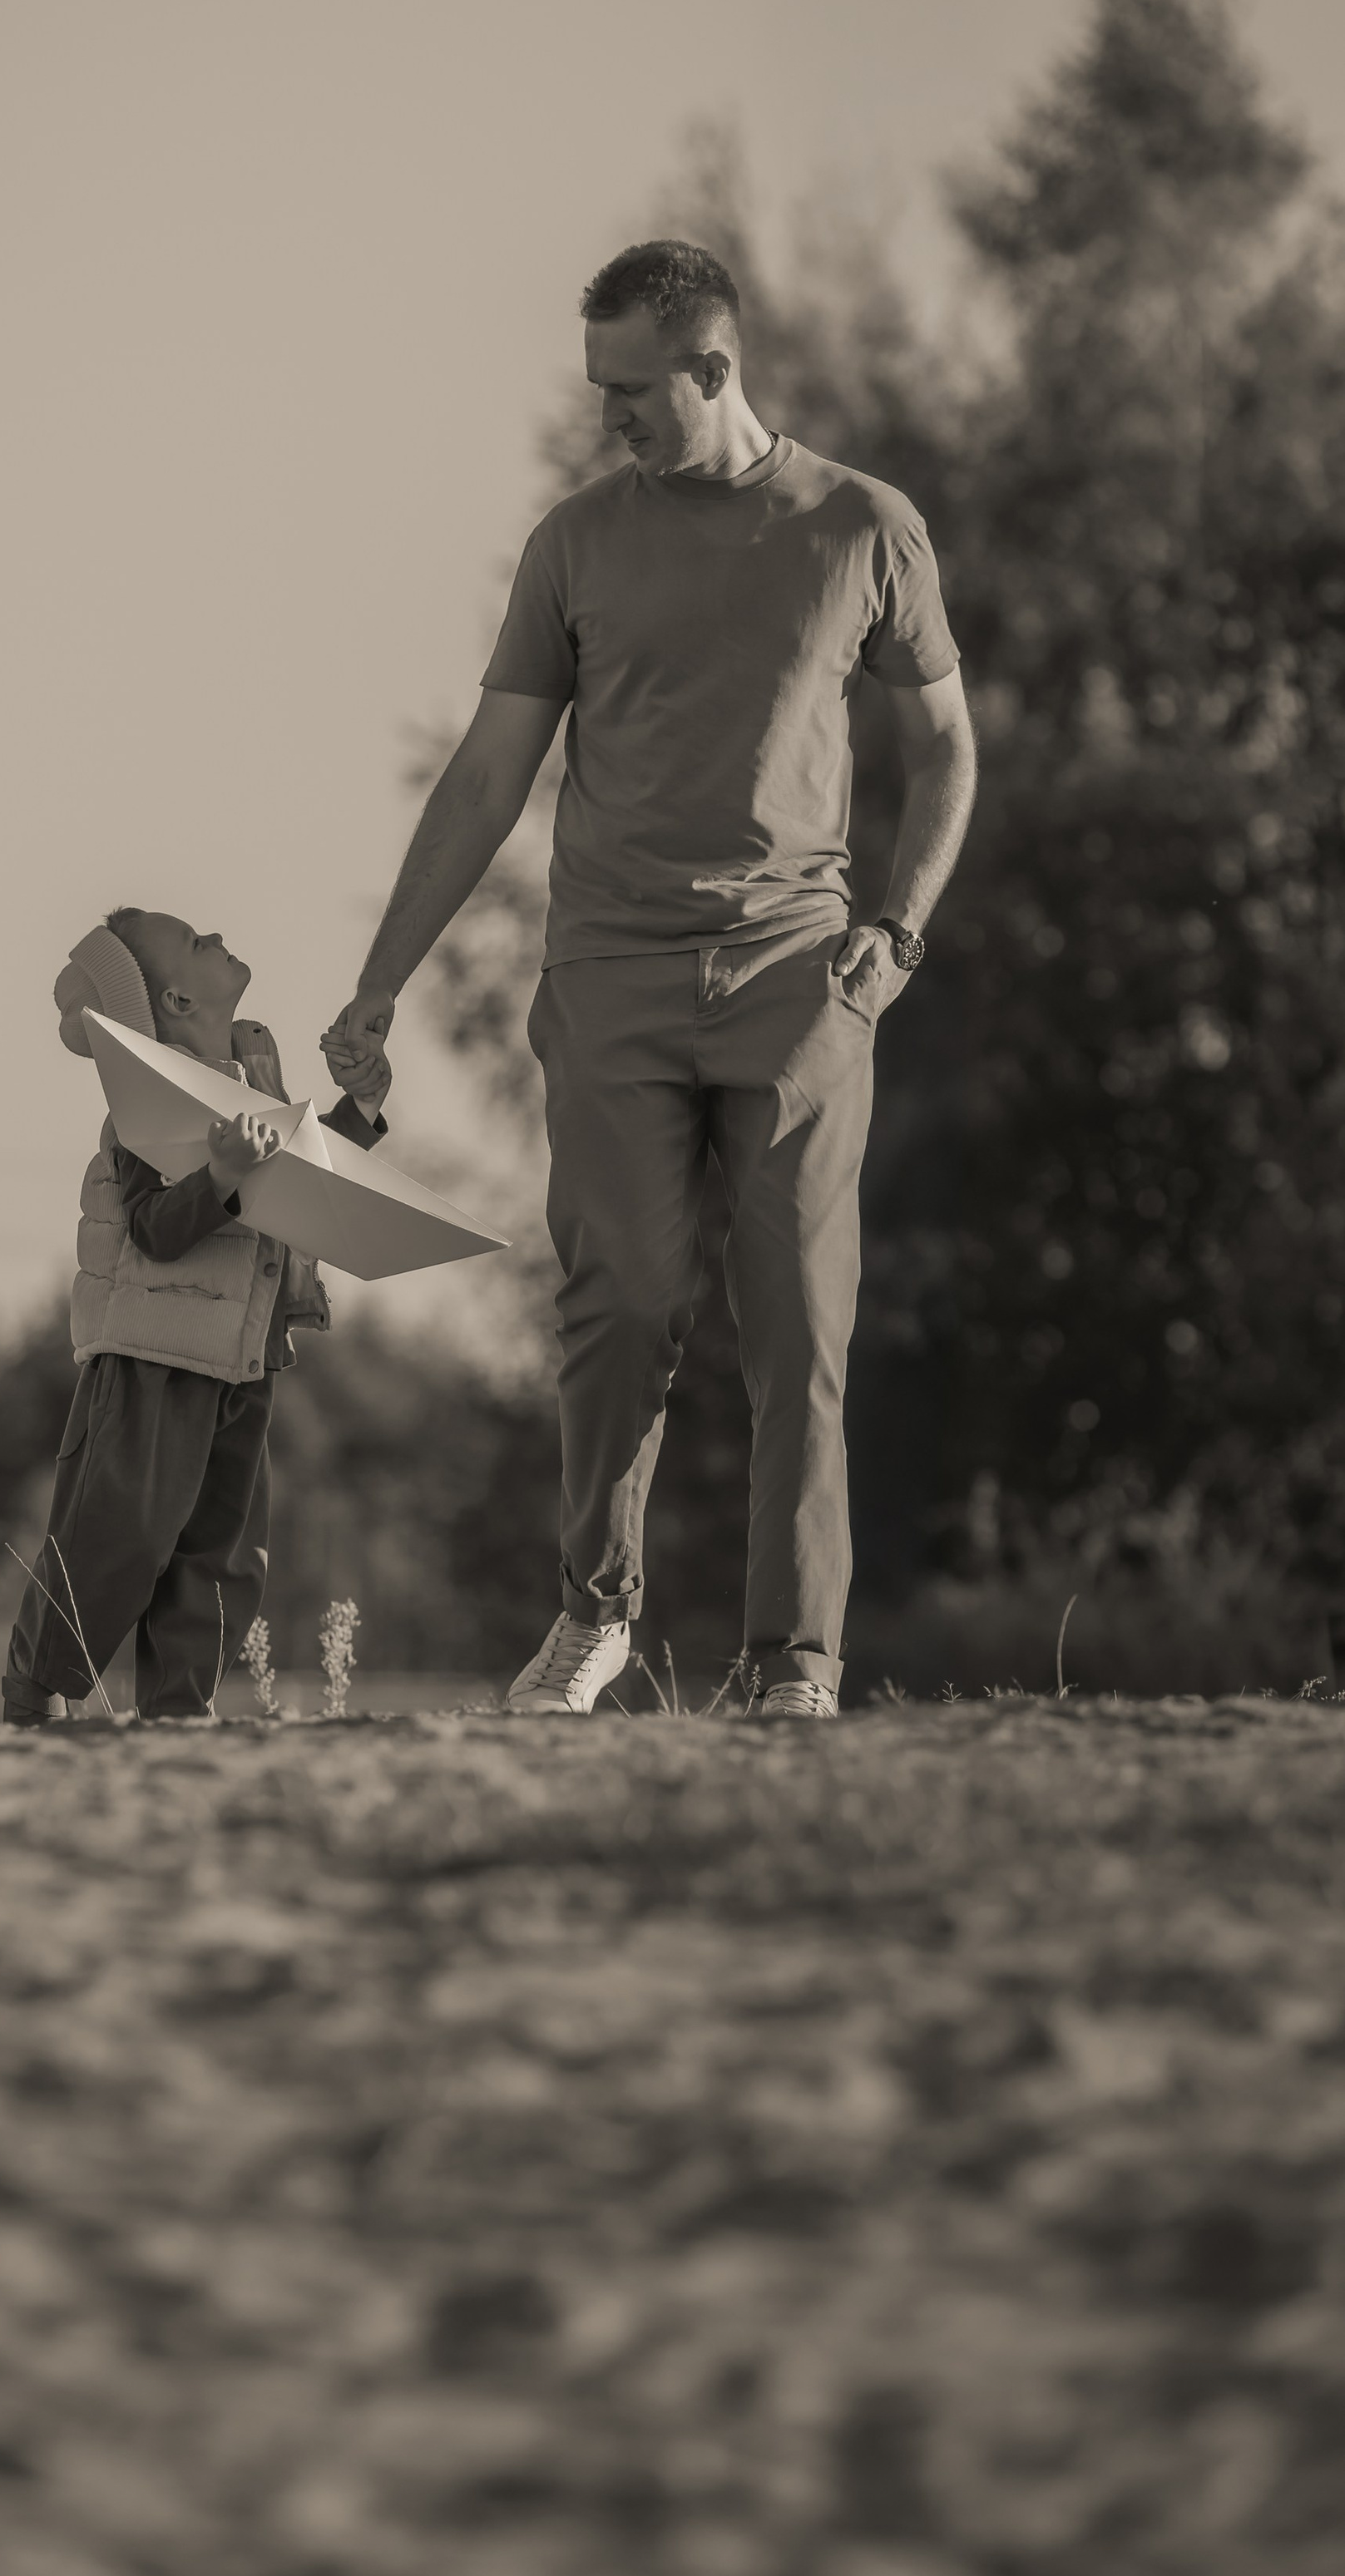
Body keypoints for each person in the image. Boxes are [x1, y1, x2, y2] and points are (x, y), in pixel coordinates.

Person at [321, 240, 977, 1719]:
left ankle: (791, 1658)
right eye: (597, 387)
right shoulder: (574, 542)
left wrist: (899, 932)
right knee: (620, 1303)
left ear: (714, 369)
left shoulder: (865, 527)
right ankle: (593, 1615)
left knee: (803, 1321)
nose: (608, 415)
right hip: (610, 973)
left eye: (632, 390)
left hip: (801, 980)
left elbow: (947, 744)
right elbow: (491, 773)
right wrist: (377, 990)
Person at [4, 910, 391, 1726]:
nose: (215, 933)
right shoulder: (153, 1100)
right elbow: (153, 1229)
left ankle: (179, 1711)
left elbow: (309, 1186)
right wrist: (219, 1172)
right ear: (176, 998)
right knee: (122, 1533)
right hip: (154, 1356)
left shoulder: (256, 1079)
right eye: (195, 939)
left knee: (221, 1552)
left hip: (246, 1356)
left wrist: (359, 1109)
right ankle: (35, 1686)